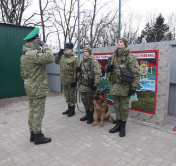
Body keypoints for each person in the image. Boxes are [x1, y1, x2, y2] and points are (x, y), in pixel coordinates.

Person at [20, 27, 53, 144]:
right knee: (38, 112)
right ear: (35, 41)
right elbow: (50, 58)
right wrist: (45, 45)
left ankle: (32, 134)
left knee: (33, 111)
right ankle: (38, 136)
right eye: (38, 41)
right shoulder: (34, 53)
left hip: (29, 87)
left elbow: (23, 73)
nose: (39, 43)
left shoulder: (24, 55)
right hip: (38, 88)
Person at [105, 37, 141, 137]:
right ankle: (118, 125)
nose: (119, 43)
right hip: (115, 86)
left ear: (125, 44)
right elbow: (106, 69)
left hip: (125, 87)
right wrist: (108, 68)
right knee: (117, 107)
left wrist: (133, 88)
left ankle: (123, 127)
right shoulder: (112, 57)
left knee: (124, 108)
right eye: (118, 41)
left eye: (121, 42)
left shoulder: (130, 57)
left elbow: (136, 73)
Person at [76, 47, 102, 124]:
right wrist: (77, 72)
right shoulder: (81, 62)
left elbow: (98, 74)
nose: (84, 53)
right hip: (83, 85)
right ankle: (87, 114)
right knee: (84, 101)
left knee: (91, 102)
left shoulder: (94, 62)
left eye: (86, 51)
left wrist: (96, 84)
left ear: (90, 52)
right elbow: (79, 74)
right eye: (84, 51)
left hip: (90, 86)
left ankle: (91, 116)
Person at [55, 43, 79, 117]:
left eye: (67, 49)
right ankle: (69, 108)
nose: (66, 51)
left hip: (71, 81)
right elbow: (56, 62)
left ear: (71, 49)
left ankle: (73, 110)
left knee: (72, 96)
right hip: (64, 80)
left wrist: (75, 81)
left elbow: (77, 71)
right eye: (65, 49)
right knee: (66, 95)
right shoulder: (63, 58)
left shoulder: (75, 58)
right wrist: (59, 54)